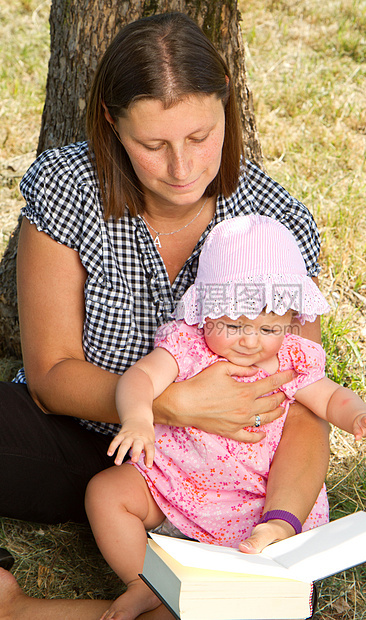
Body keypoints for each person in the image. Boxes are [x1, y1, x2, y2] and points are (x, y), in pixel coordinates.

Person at [1, 11, 330, 620]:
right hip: (90, 437)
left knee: (268, 607)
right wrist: (169, 404)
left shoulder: (275, 225)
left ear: (228, 107)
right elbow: (50, 375)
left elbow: (307, 404)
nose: (182, 168)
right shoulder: (69, 188)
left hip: (226, 472)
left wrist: (281, 521)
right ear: (111, 122)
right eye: (153, 145)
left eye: (200, 136)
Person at [85, 214, 366, 620]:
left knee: (252, 580)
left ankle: (239, 569)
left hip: (250, 501)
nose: (250, 340)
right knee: (105, 493)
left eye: (268, 328)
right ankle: (145, 581)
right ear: (206, 309)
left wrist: (359, 415)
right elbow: (140, 378)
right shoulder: (188, 345)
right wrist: (139, 417)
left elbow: (329, 397)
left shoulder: (288, 358)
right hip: (176, 483)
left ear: (290, 321)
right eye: (233, 324)